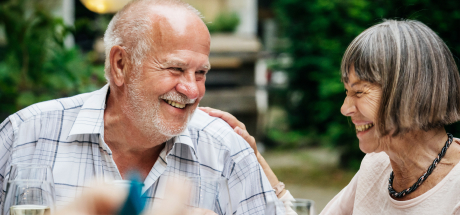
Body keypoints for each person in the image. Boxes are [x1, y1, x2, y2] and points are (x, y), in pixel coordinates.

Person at [0, 0, 283, 214]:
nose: (193, 89)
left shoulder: (225, 151)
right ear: (121, 65)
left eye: (201, 73)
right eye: (175, 68)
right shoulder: (25, 135)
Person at [201, 19, 460, 214]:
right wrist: (255, 160)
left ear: (411, 91)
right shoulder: (377, 165)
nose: (345, 108)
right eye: (347, 92)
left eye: (359, 92)